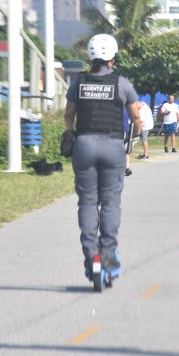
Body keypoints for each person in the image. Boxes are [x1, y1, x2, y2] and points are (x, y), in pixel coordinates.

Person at [63, 33, 141, 283]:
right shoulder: (122, 84)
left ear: (90, 57)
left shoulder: (79, 82)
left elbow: (68, 116)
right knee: (110, 204)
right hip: (112, 146)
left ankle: (92, 257)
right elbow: (136, 118)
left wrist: (70, 133)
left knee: (87, 202)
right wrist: (135, 134)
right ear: (113, 59)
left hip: (84, 145)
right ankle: (108, 259)